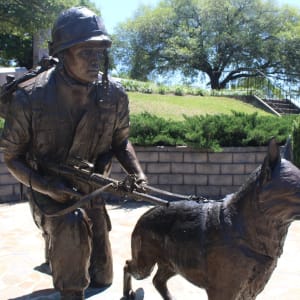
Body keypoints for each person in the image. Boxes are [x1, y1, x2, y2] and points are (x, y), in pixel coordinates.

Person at [1, 6, 147, 299]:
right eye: (85, 52)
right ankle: (68, 282)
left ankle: (67, 259)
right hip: (48, 191)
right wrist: (47, 187)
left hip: (90, 187)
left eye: (99, 52)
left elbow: (121, 142)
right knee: (71, 237)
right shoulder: (30, 97)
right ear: (63, 54)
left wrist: (138, 174)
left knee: (102, 277)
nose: (95, 61)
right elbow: (11, 156)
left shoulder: (115, 94)